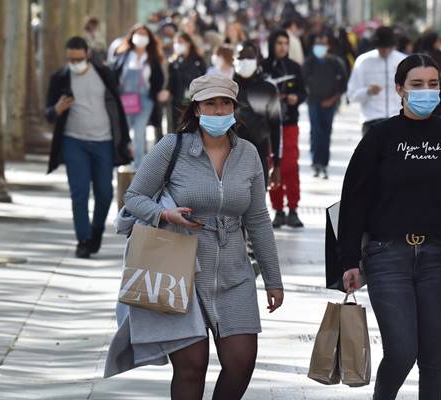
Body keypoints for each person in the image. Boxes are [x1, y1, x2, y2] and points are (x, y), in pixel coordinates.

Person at [105, 74, 284, 399]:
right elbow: (134, 197)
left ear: (234, 108)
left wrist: (273, 279)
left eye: (225, 103)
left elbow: (258, 219)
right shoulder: (171, 147)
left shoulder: (248, 154)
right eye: (211, 104)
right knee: (191, 366)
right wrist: (164, 214)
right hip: (179, 271)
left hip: (235, 274)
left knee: (242, 361)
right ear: (196, 109)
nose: (219, 111)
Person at [337, 54, 441, 400]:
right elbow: (353, 200)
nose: (426, 91)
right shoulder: (380, 137)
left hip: (438, 257)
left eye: (433, 84)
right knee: (402, 351)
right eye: (417, 84)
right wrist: (348, 260)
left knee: (433, 360)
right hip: (388, 257)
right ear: (400, 89)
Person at [44, 36, 132, 258]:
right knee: (79, 192)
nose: (75, 63)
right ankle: (83, 239)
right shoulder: (60, 78)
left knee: (104, 193)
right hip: (74, 141)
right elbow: (48, 114)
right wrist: (57, 109)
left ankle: (96, 231)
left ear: (88, 55)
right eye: (71, 59)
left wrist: (126, 140)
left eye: (79, 58)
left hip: (103, 142)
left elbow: (118, 109)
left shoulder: (104, 74)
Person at [262, 29, 307, 228]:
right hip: (269, 127)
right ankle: (278, 209)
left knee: (290, 165)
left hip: (289, 124)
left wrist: (296, 98)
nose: (282, 47)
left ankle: (293, 209)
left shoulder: (294, 67)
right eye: (279, 43)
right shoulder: (262, 68)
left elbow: (304, 92)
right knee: (273, 165)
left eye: (285, 43)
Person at [113, 24, 166, 169]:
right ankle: (122, 159)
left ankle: (139, 165)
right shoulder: (123, 55)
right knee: (123, 131)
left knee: (140, 131)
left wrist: (157, 93)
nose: (141, 37)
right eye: (138, 34)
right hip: (125, 99)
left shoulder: (152, 58)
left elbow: (158, 79)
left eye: (144, 34)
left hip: (144, 99)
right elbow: (115, 75)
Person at [233, 41, 282, 189]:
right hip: (231, 158)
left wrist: (277, 164)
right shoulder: (227, 88)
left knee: (257, 206)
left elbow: (275, 127)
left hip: (259, 155)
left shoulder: (268, 89)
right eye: (241, 57)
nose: (245, 61)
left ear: (258, 59)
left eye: (249, 57)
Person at [303, 32, 348, 179]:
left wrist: (333, 99)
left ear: (328, 46)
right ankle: (315, 162)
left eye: (323, 44)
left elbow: (343, 84)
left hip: (330, 102)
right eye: (318, 44)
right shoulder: (309, 63)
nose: (320, 47)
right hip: (314, 102)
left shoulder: (336, 63)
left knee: (326, 132)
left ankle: (324, 163)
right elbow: (302, 83)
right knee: (315, 131)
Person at [347, 26, 406, 135]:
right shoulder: (363, 61)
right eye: (380, 47)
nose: (383, 50)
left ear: (392, 46)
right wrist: (367, 91)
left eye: (386, 47)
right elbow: (351, 95)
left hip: (398, 120)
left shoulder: (403, 61)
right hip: (371, 121)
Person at [166, 32, 206, 130]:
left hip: (194, 100)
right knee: (176, 127)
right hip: (177, 100)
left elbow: (203, 78)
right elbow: (171, 81)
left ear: (188, 43)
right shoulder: (173, 62)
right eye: (175, 42)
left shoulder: (198, 60)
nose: (177, 45)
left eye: (180, 42)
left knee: (193, 127)